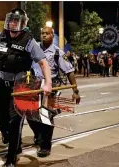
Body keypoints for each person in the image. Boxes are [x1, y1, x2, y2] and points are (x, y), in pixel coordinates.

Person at [0, 8, 52, 167]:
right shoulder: (1, 36)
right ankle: (15, 140)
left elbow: (43, 63)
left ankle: (11, 158)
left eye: (16, 20)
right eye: (11, 20)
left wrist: (48, 83)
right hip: (2, 83)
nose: (12, 23)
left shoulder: (29, 41)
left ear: (23, 23)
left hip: (21, 85)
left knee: (15, 121)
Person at [31, 26, 81, 158]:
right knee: (29, 114)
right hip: (35, 86)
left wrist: (75, 90)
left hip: (51, 87)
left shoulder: (58, 53)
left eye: (47, 33)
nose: (43, 36)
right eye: (42, 33)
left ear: (52, 35)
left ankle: (45, 146)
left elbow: (69, 71)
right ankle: (39, 134)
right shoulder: (34, 49)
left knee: (45, 115)